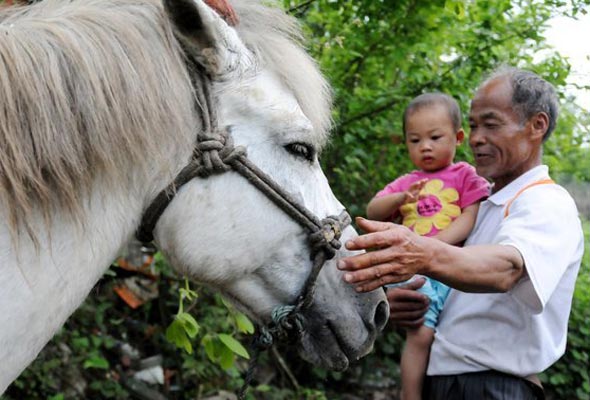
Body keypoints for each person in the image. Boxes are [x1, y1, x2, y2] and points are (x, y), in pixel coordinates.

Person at [338, 66, 584, 400]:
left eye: (491, 123)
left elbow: (506, 268)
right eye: (473, 125)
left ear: (536, 126)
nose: (477, 137)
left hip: (492, 386)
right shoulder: (483, 208)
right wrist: (406, 303)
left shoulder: (545, 200)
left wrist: (420, 252)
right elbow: (457, 287)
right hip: (445, 380)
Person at [366, 92, 489, 400]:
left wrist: (431, 245)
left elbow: (470, 217)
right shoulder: (408, 181)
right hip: (416, 270)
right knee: (420, 334)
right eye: (415, 140)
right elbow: (372, 210)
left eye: (435, 137)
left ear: (458, 137)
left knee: (450, 334)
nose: (425, 147)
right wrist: (399, 199)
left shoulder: (465, 174)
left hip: (452, 265)